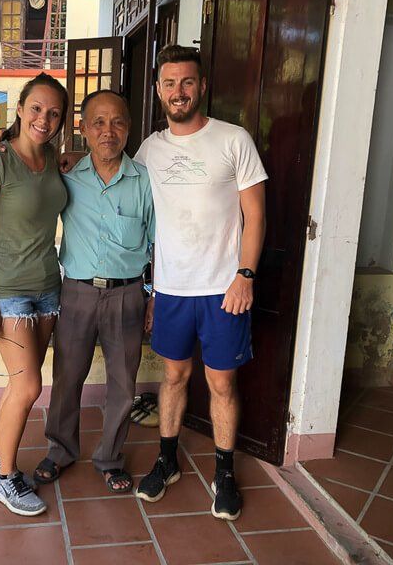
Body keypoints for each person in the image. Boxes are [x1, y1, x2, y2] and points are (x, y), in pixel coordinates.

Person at [131, 45, 267, 521]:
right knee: (173, 376)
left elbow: (256, 215)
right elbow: (118, 183)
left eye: (187, 82)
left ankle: (224, 473)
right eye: (169, 84)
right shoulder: (150, 148)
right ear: (159, 90)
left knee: (222, 382)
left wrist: (244, 275)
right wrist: (66, 159)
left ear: (202, 86)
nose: (178, 92)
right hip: (170, 289)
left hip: (222, 291)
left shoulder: (234, 140)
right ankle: (166, 461)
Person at [33, 90, 154, 493]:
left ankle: (109, 457)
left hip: (127, 295)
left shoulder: (144, 183)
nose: (108, 131)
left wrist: (153, 294)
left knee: (124, 381)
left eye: (117, 122)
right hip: (78, 292)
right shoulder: (65, 174)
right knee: (68, 377)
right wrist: (0, 143)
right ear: (83, 129)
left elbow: (158, 243)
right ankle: (60, 450)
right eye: (98, 122)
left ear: (129, 128)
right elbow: (25, 158)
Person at [0, 72, 68, 517]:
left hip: (48, 287)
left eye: (53, 113)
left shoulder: (53, 160)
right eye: (36, 108)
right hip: (9, 294)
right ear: (20, 109)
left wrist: (70, 159)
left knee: (17, 383)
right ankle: (6, 480)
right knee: (28, 385)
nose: (43, 118)